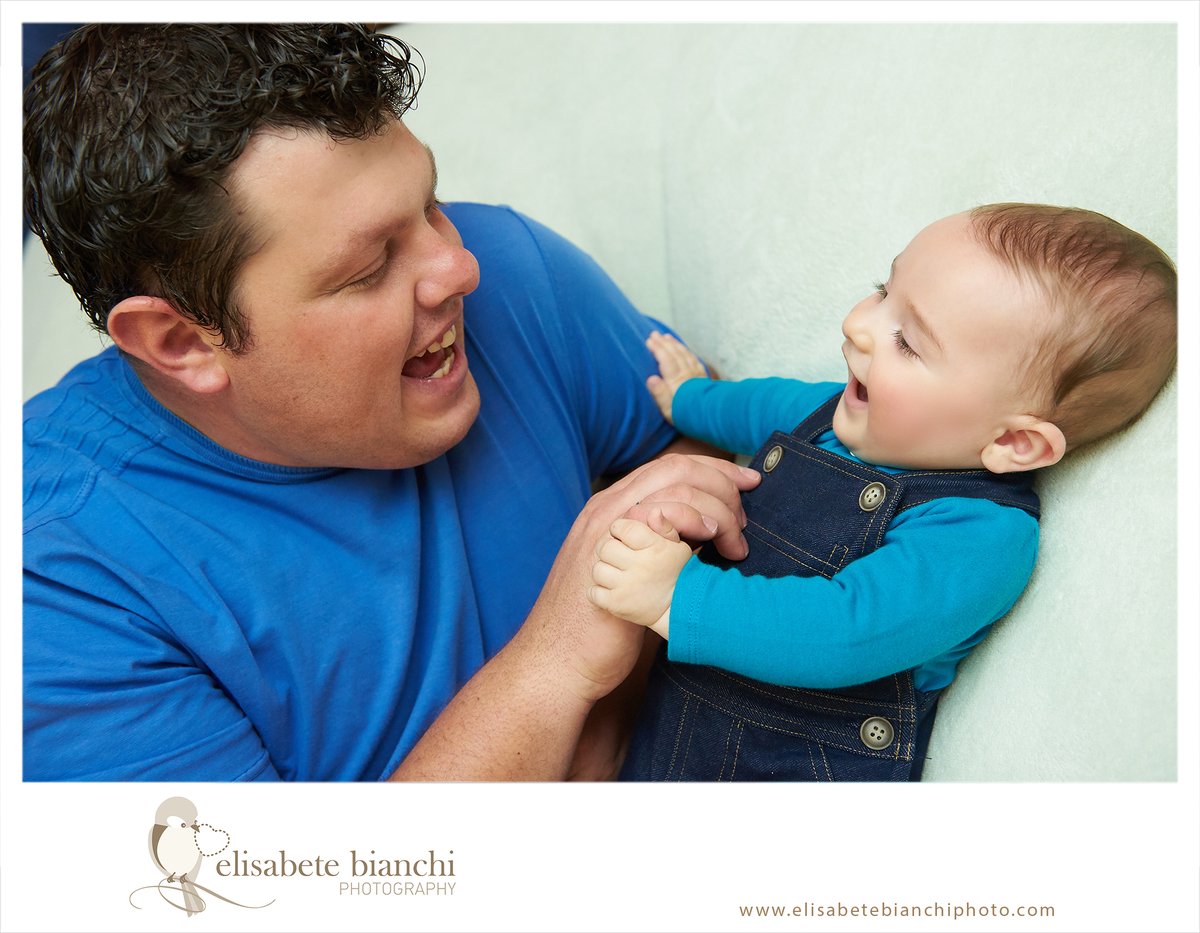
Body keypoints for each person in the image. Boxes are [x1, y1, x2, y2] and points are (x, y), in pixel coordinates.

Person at [22, 24, 760, 781]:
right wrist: (558, 663)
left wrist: (610, 706)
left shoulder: (513, 270)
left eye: (431, 201)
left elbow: (687, 436)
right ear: (180, 341)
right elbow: (281, 896)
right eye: (370, 266)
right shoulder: (57, 592)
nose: (459, 267)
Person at [586, 204, 1177, 781]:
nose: (858, 324)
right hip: (668, 742)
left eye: (909, 342)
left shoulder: (978, 534)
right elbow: (762, 406)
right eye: (881, 290)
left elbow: (846, 631)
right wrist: (690, 399)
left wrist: (678, 600)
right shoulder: (843, 414)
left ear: (1016, 442)